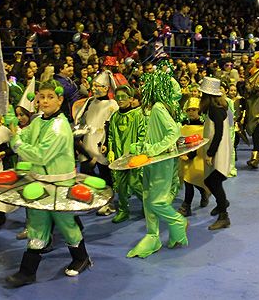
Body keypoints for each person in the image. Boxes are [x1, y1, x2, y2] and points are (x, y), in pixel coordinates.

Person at [6, 80, 91, 287]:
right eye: (41, 96)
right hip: (40, 183)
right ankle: (27, 272)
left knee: (66, 224)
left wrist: (17, 143)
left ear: (60, 100)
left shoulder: (59, 128)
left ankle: (82, 258)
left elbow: (40, 155)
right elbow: (25, 136)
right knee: (37, 225)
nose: (44, 101)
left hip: (60, 185)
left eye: (50, 97)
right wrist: (14, 127)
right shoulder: (38, 120)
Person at [127, 68, 188, 258]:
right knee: (147, 198)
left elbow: (173, 133)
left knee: (156, 200)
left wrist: (154, 149)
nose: (143, 88)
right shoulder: (157, 108)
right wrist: (143, 147)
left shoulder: (158, 108)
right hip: (154, 159)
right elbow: (157, 134)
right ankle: (152, 235)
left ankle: (177, 221)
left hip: (161, 160)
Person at [72, 70, 119, 215]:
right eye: (93, 85)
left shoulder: (112, 105)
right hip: (88, 142)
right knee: (86, 174)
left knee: (105, 175)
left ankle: (107, 202)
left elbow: (111, 127)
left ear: (106, 88)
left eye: (98, 86)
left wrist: (108, 145)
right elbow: (82, 122)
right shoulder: (90, 102)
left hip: (102, 144)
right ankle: (90, 198)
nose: (94, 88)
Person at [107, 85, 145, 223]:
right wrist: (110, 150)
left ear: (131, 98)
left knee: (135, 183)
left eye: (124, 97)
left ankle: (148, 205)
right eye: (118, 97)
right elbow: (110, 135)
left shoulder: (137, 115)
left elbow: (142, 134)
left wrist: (137, 149)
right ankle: (123, 210)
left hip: (133, 158)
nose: (120, 100)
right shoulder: (115, 117)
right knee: (121, 186)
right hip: (118, 158)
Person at [199, 77, 233, 230]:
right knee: (211, 181)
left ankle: (223, 214)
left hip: (219, 152)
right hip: (220, 150)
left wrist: (210, 153)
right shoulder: (220, 108)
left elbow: (218, 134)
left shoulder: (215, 110)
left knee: (213, 182)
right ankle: (222, 203)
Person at [177, 97, 209, 217]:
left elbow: (200, 145)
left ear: (199, 111)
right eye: (189, 110)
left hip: (196, 159)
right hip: (184, 158)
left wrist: (190, 155)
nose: (191, 112)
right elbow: (181, 141)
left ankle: (186, 205)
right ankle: (202, 194)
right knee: (188, 181)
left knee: (192, 180)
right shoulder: (184, 127)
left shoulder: (203, 127)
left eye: (194, 110)